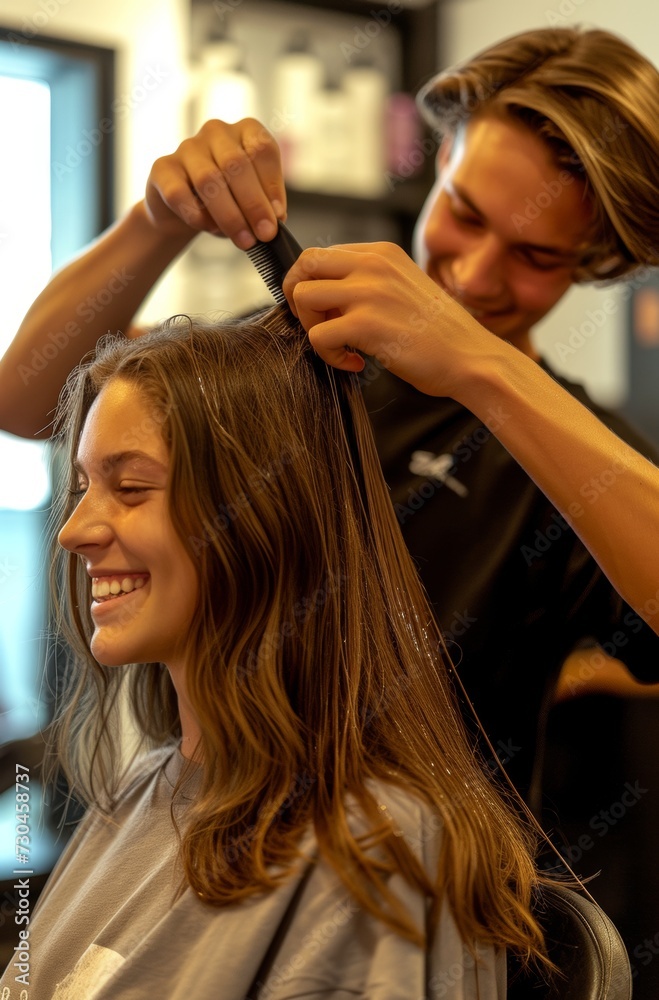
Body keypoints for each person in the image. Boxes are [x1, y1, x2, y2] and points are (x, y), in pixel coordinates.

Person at [1, 25, 659, 802]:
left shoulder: (567, 460)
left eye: (536, 256)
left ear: (590, 261)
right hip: (206, 830)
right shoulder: (286, 350)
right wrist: (158, 219)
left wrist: (486, 370)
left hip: (415, 895)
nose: (477, 274)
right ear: (441, 158)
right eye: (465, 215)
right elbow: (31, 400)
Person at [0, 306, 552, 998]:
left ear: (260, 521)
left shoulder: (373, 851)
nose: (73, 530)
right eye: (82, 486)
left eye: (131, 488)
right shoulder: (146, 788)